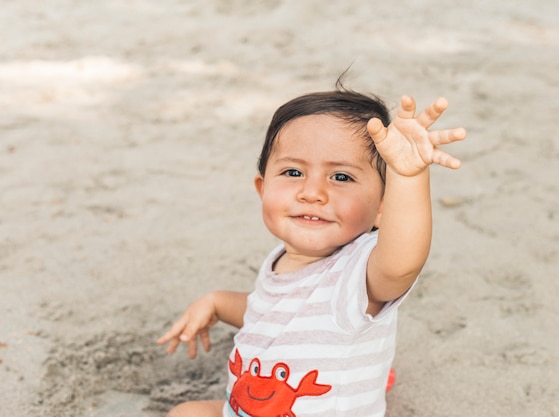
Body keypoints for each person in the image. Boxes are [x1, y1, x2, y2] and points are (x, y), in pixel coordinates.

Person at [157, 83, 466, 417]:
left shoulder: (357, 275)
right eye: (293, 172)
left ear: (382, 208)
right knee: (187, 413)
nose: (312, 192)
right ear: (262, 188)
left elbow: (401, 263)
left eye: (341, 177)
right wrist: (216, 302)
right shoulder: (281, 259)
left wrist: (408, 177)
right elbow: (272, 311)